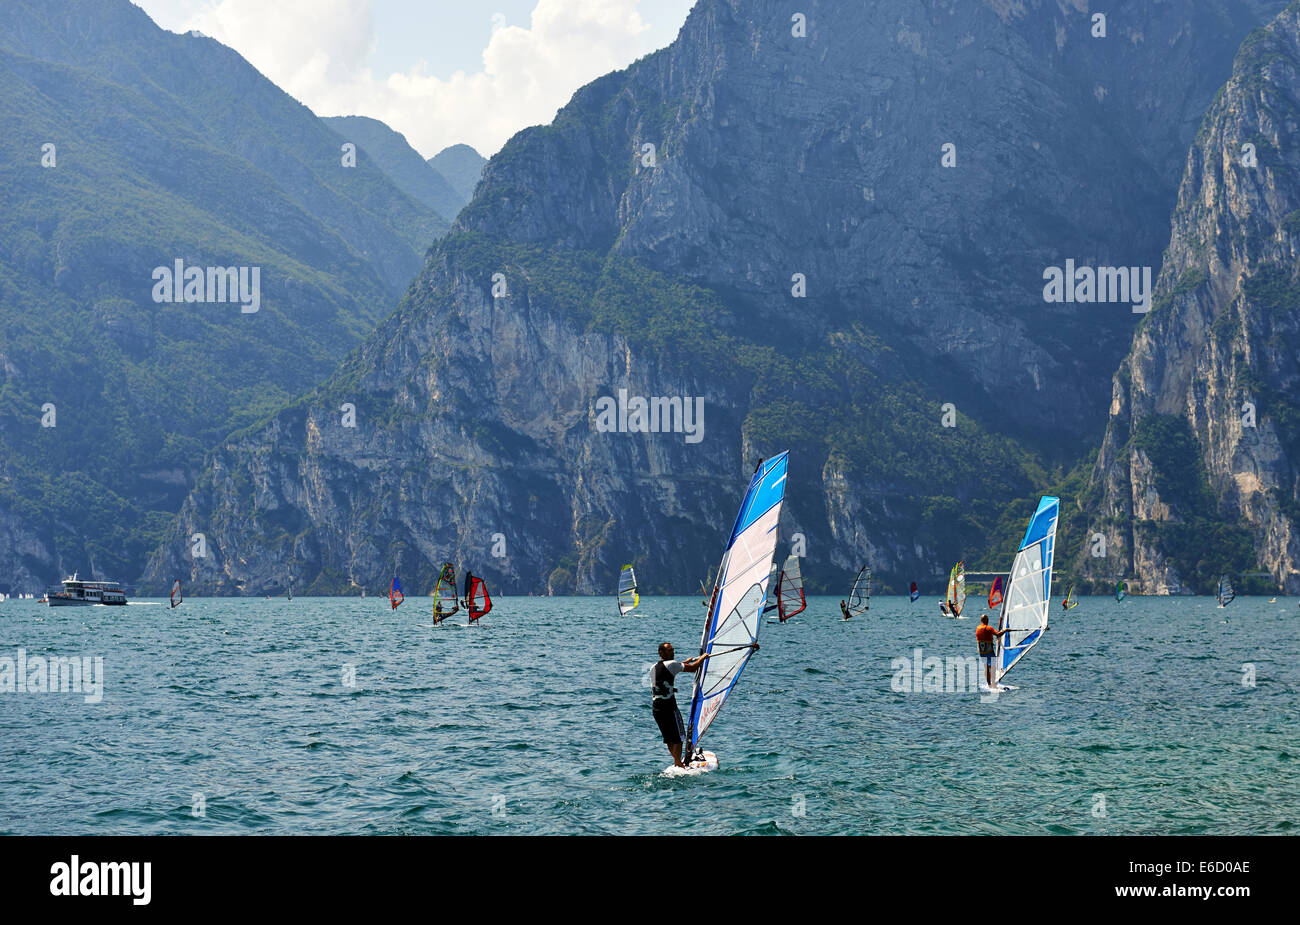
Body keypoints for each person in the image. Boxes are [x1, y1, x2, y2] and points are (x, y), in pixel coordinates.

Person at [651, 641, 732, 767]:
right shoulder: (673, 664)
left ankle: (677, 762)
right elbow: (694, 668)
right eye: (669, 650)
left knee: (669, 738)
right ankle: (678, 763)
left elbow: (672, 669)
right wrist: (702, 658)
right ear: (661, 652)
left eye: (673, 649)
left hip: (656, 709)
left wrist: (685, 662)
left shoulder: (654, 667)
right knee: (679, 737)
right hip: (669, 708)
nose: (673, 652)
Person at [975, 613, 1007, 689]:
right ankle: (993, 685)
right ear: (987, 620)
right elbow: (998, 634)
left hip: (981, 652)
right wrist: (1005, 630)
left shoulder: (978, 628)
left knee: (986, 668)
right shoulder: (989, 628)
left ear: (981, 620)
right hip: (989, 651)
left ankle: (989, 684)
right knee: (993, 667)